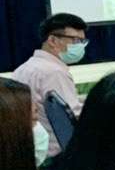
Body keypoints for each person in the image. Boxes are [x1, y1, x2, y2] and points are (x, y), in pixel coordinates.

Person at [12, 13, 86, 160]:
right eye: (76, 40)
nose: (81, 46)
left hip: (33, 151)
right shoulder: (54, 72)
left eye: (83, 41)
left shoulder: (24, 68)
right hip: (59, 154)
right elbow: (74, 115)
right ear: (52, 40)